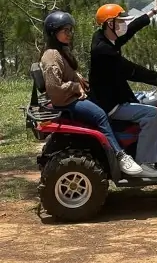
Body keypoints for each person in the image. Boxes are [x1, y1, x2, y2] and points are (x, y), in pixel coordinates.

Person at [89, 0, 157, 179]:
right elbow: (133, 71)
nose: (123, 25)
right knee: (152, 114)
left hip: (113, 95)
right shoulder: (104, 51)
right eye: (119, 22)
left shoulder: (104, 37)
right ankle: (145, 163)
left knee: (154, 98)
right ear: (110, 24)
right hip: (111, 104)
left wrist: (153, 10)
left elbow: (130, 29)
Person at [40, 10, 143, 176]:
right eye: (65, 30)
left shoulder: (60, 51)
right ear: (53, 32)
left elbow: (66, 74)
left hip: (72, 97)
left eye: (70, 30)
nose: (69, 34)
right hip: (68, 101)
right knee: (100, 115)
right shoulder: (52, 56)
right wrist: (75, 87)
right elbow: (54, 89)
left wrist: (79, 80)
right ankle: (119, 155)